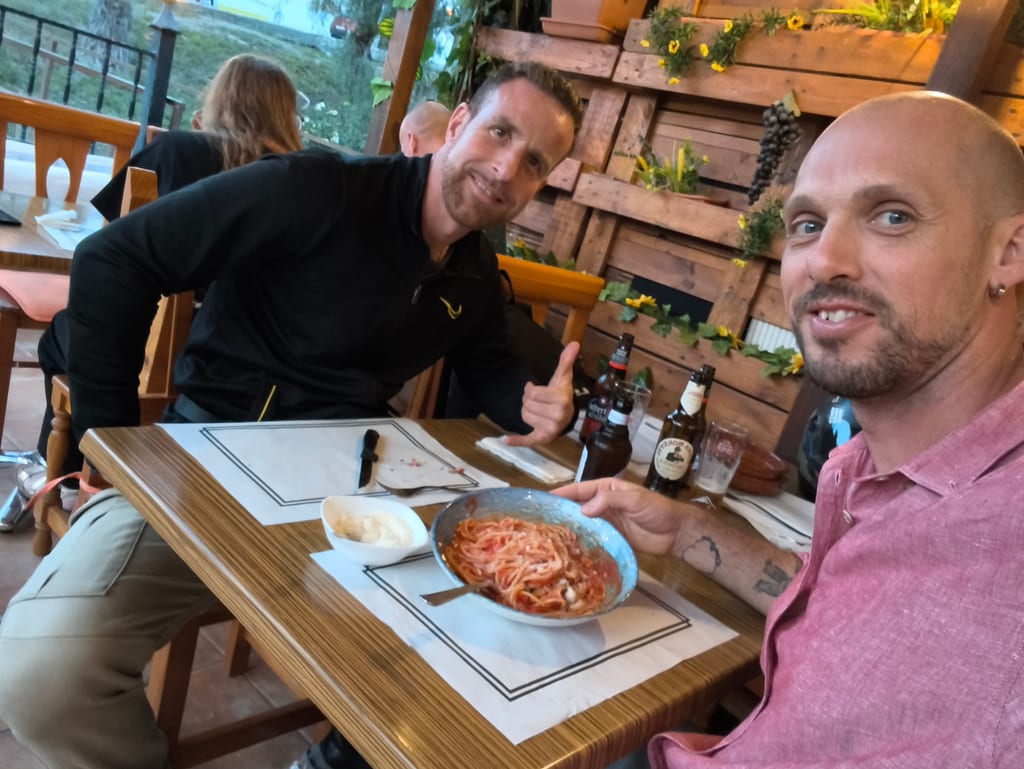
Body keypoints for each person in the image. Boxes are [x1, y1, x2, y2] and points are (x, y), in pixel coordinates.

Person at [0, 61, 583, 769]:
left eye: (533, 162)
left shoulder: (474, 277)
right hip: (208, 469)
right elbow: (113, 260)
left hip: (359, 505)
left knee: (498, 651)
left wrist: (531, 401)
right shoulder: (317, 188)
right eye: (498, 132)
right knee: (42, 677)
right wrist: (114, 445)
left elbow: (489, 364)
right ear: (456, 124)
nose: (505, 169)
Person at [558, 91, 1024, 767]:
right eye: (806, 224)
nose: (824, 260)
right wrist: (691, 529)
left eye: (891, 215)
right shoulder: (866, 464)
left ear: (1008, 251)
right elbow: (850, 603)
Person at [25, 53, 304, 491]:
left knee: (60, 338)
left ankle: (61, 472)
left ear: (219, 101)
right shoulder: (298, 184)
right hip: (235, 372)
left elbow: (106, 250)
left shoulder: (177, 152)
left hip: (148, 357)